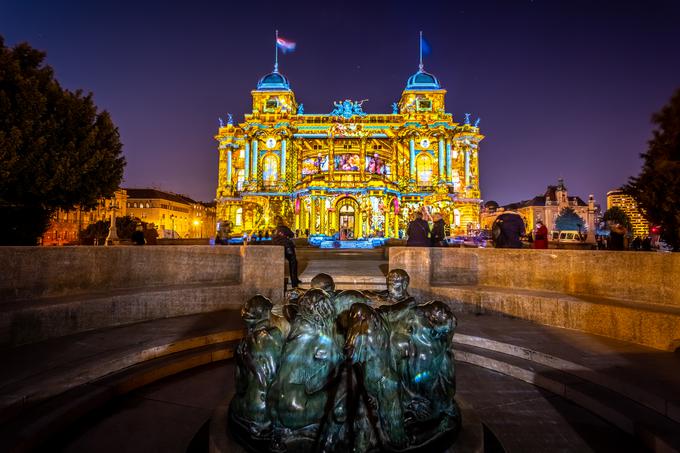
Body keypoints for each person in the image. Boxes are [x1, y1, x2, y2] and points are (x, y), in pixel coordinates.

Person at [273, 216, 300, 288]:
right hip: (288, 248)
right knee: (293, 263)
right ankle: (294, 283)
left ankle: (295, 280)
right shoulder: (285, 228)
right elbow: (292, 235)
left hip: (278, 249)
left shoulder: (276, 230)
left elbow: (273, 238)